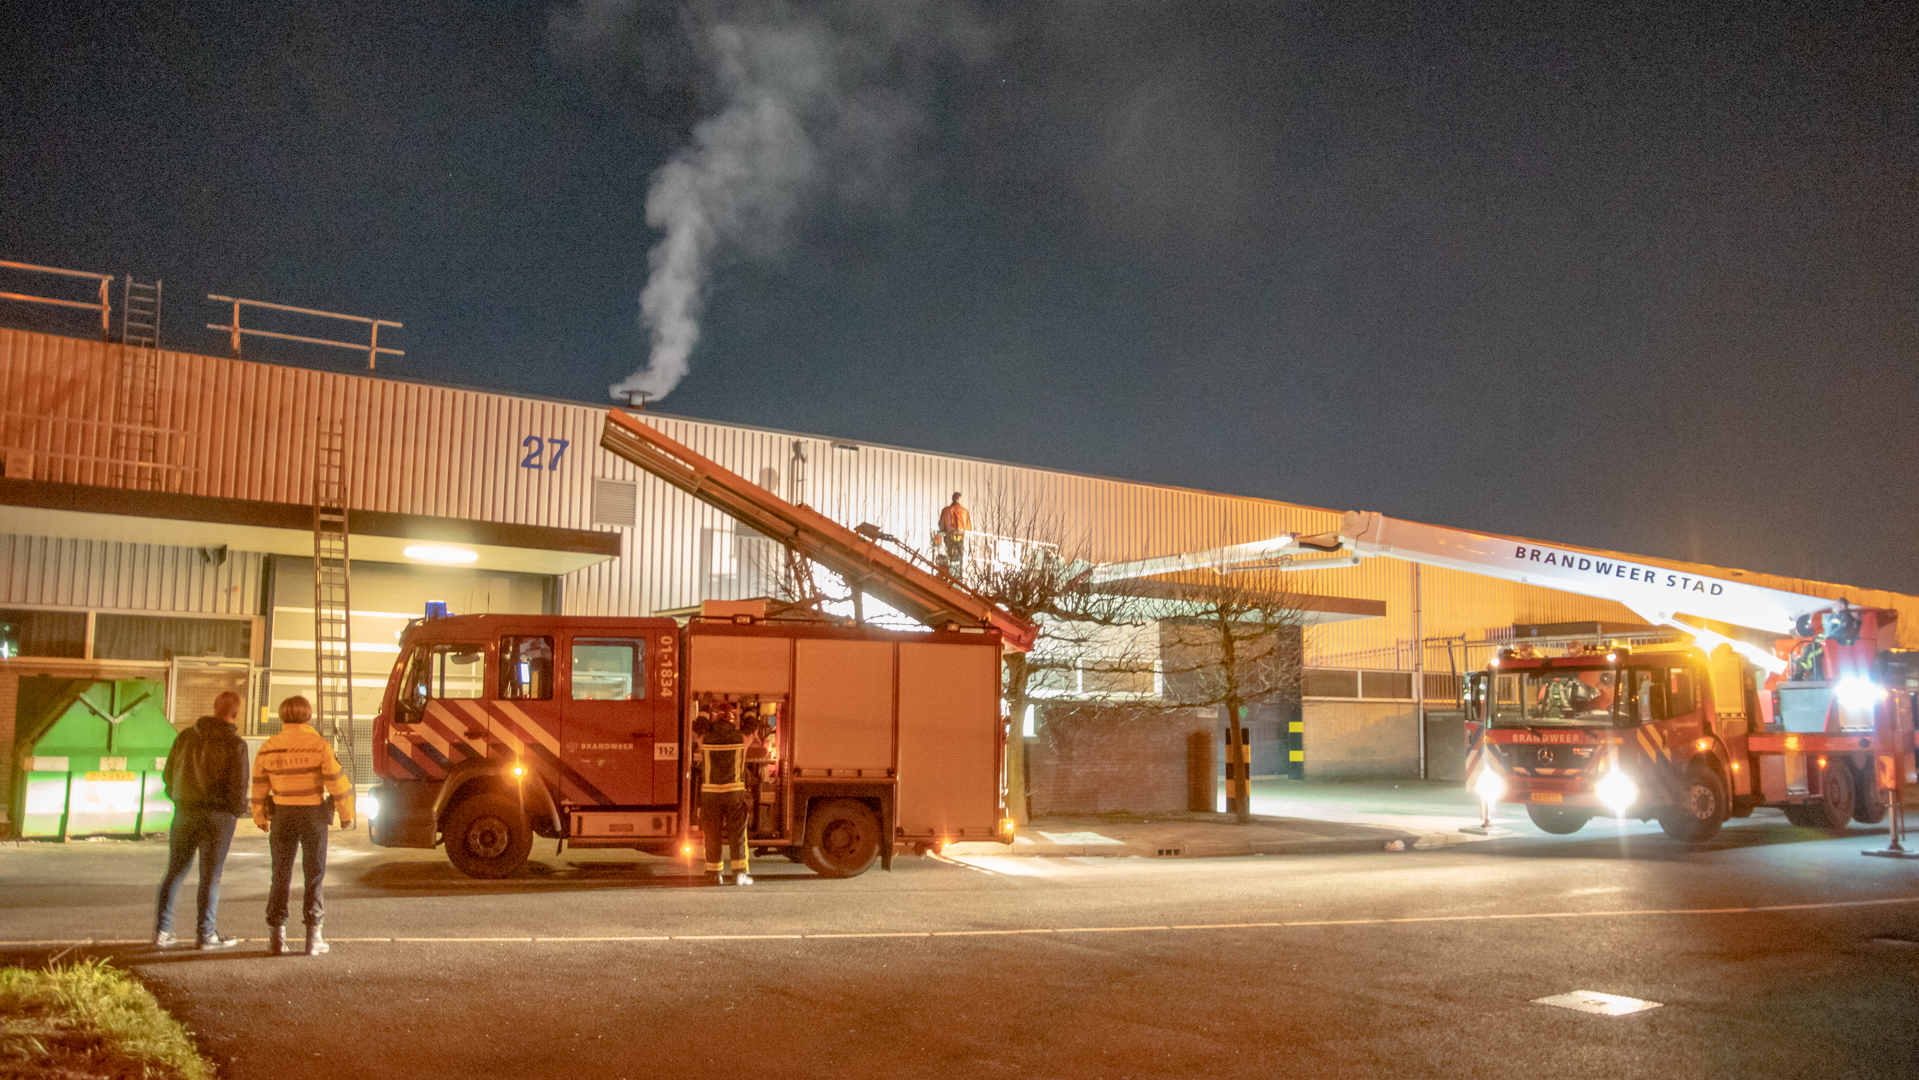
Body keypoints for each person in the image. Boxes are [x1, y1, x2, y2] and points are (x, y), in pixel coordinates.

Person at [250, 695, 354, 955]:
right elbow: (337, 782)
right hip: (313, 816)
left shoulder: (269, 747)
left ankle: (276, 938)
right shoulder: (319, 745)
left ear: (282, 716)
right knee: (314, 876)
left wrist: (259, 816)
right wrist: (346, 814)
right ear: (308, 716)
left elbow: (259, 786)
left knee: (280, 876)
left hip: (282, 815)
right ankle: (313, 939)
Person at [154, 690, 250, 949]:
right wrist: (238, 810)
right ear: (235, 713)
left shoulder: (186, 736)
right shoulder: (236, 745)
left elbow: (168, 774)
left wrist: (178, 798)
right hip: (218, 817)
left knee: (174, 871)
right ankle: (206, 935)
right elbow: (238, 788)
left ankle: (162, 932)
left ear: (214, 707)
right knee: (210, 877)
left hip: (185, 812)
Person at [693, 700, 752, 886]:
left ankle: (713, 875)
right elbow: (753, 726)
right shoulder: (741, 738)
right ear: (733, 721)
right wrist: (749, 707)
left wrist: (703, 708)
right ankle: (739, 874)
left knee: (712, 834)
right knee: (737, 834)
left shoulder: (704, 738)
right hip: (734, 794)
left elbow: (698, 727)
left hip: (710, 795)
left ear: (714, 719)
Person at [937, 492, 971, 571]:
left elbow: (941, 525)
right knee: (960, 561)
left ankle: (949, 571)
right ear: (959, 499)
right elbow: (968, 527)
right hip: (961, 540)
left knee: (950, 558)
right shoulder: (965, 511)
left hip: (949, 539)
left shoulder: (946, 510)